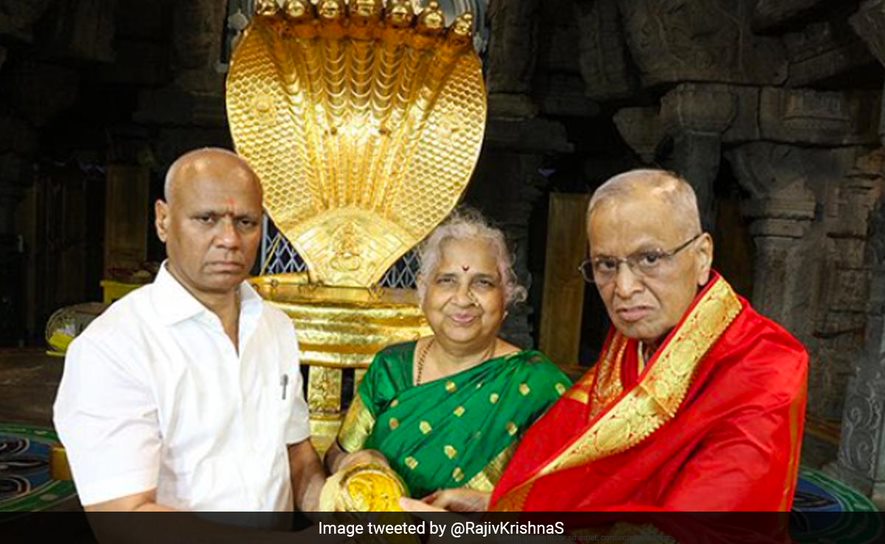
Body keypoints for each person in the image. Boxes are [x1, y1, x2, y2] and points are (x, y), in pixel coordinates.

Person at [402, 169, 808, 513]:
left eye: (650, 258)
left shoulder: (767, 367)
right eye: (606, 265)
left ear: (701, 256)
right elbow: (585, 484)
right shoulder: (632, 344)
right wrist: (496, 504)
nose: (625, 288)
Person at [53, 148, 326, 512]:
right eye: (206, 219)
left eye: (246, 222)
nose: (229, 239)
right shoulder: (113, 348)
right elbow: (125, 517)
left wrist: (352, 520)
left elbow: (298, 458)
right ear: (163, 220)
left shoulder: (275, 327)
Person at [324, 211, 572, 500]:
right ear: (423, 290)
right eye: (447, 280)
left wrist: (489, 505)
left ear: (506, 297)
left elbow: (566, 500)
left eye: (483, 283)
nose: (463, 298)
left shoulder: (538, 386)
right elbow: (336, 456)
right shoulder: (391, 367)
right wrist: (354, 463)